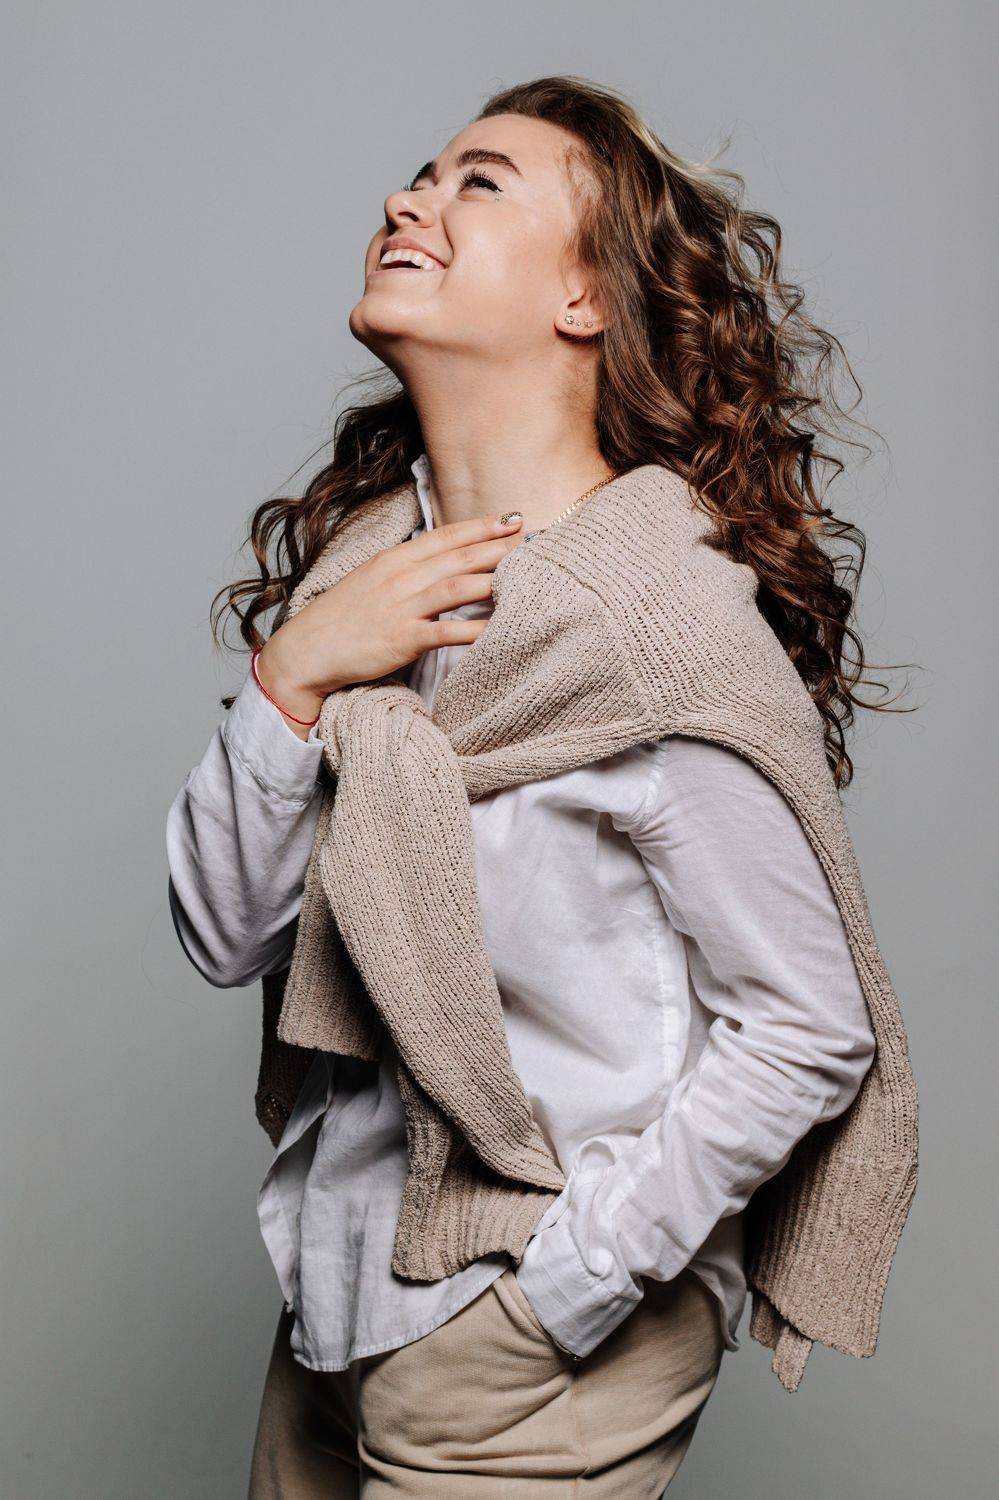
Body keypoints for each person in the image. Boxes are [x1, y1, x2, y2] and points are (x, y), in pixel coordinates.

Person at [166, 75, 914, 1497]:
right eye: (420, 174)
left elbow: (812, 1027)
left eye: (480, 181)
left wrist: (571, 1284)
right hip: (335, 1296)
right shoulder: (362, 582)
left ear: (587, 298)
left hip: (530, 1335)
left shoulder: (651, 626)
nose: (410, 201)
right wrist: (296, 673)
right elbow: (223, 933)